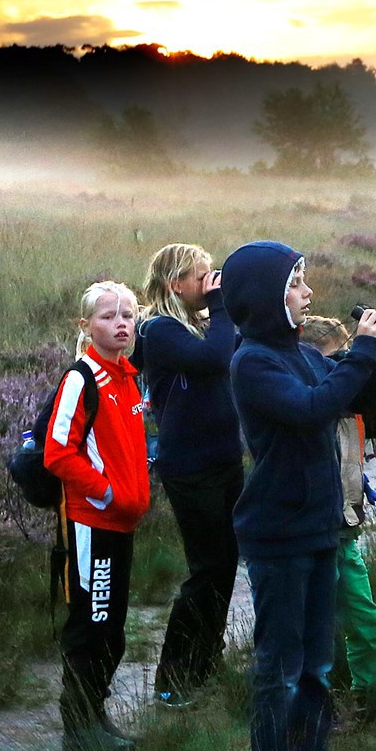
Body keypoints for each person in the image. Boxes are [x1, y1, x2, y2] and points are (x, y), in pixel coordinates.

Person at [223, 241, 376, 751]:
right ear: (267, 296)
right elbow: (312, 409)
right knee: (283, 668)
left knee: (318, 666)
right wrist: (360, 353)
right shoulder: (253, 361)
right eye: (296, 283)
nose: (308, 292)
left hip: (319, 525)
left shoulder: (305, 354)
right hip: (279, 532)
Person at [44, 281, 151, 751]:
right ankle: (79, 730)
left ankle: (94, 716)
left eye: (128, 314)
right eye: (108, 316)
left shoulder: (127, 376)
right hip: (91, 524)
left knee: (112, 629)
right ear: (85, 326)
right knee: (92, 625)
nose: (121, 323)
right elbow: (57, 454)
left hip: (121, 524)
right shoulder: (81, 378)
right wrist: (108, 494)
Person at [300, 316, 376, 739]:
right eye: (336, 360)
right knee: (321, 628)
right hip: (319, 527)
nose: (345, 369)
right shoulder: (312, 404)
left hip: (347, 525)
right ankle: (323, 709)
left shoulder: (352, 402)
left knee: (365, 619)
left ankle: (373, 703)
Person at [134, 244, 241, 710]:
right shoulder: (158, 330)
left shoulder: (199, 325)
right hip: (190, 467)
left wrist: (222, 310)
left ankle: (206, 661)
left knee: (224, 566)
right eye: (202, 276)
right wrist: (221, 307)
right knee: (205, 571)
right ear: (176, 283)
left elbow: (232, 352)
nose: (211, 281)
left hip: (223, 458)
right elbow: (216, 360)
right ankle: (172, 677)